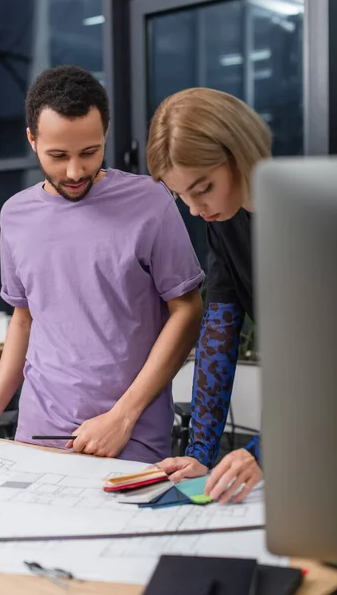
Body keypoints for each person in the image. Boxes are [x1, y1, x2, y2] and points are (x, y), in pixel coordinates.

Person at [0, 66, 205, 464]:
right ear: (32, 140)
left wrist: (123, 417)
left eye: (89, 152)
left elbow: (187, 310)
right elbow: (24, 319)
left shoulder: (150, 202)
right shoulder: (14, 215)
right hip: (38, 429)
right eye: (58, 156)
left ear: (105, 135)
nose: (74, 172)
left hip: (129, 432)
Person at [147, 87, 271, 502]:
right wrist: (200, 453)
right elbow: (219, 330)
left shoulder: (309, 215)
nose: (195, 208)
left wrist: (268, 453)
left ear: (240, 153)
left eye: (203, 187)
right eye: (181, 195)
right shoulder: (225, 220)